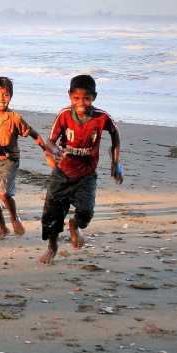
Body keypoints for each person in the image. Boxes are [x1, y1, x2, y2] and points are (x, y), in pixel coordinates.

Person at [38, 74, 122, 264]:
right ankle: (52, 247)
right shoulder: (64, 115)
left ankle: (75, 225)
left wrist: (115, 163)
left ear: (94, 97)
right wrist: (55, 151)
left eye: (86, 98)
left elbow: (116, 135)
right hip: (62, 173)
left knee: (86, 211)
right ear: (70, 96)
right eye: (76, 98)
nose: (81, 103)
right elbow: (50, 141)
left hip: (86, 175)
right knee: (52, 215)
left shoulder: (102, 117)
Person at [0, 77, 57, 239]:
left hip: (10, 160)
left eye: (5, 95)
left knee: (4, 193)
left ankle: (14, 218)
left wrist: (47, 152)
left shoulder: (15, 118)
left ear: (11, 96)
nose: (0, 99)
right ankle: (3, 228)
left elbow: (35, 135)